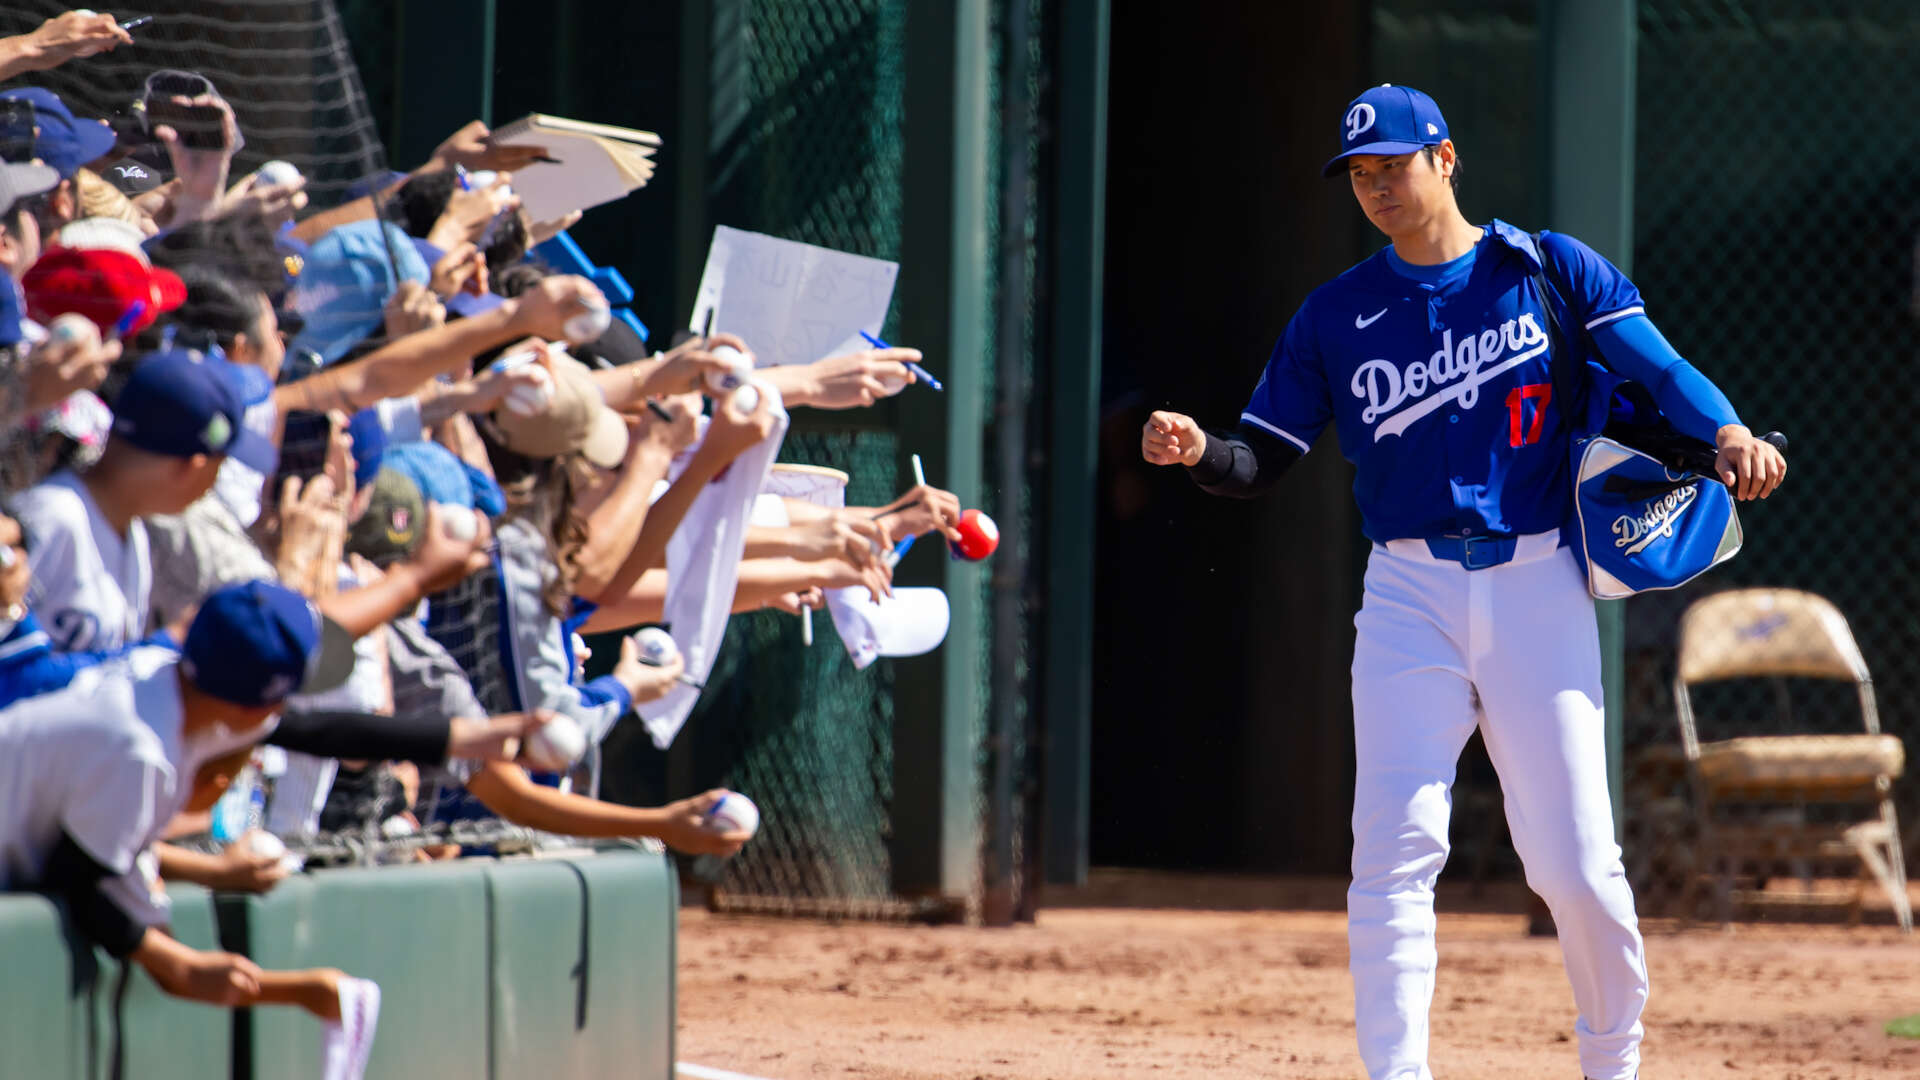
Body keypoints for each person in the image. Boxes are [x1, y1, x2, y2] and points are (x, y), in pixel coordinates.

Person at [1139, 84, 1786, 1080]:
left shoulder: (1548, 267)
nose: (1378, 188)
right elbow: (1261, 459)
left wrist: (1729, 429)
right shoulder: (1338, 314)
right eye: (1361, 174)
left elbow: (1660, 372)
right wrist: (1199, 453)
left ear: (1445, 159)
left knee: (1573, 868)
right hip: (1406, 594)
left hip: (1539, 582)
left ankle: (1613, 1061)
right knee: (1391, 856)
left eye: (1394, 166)